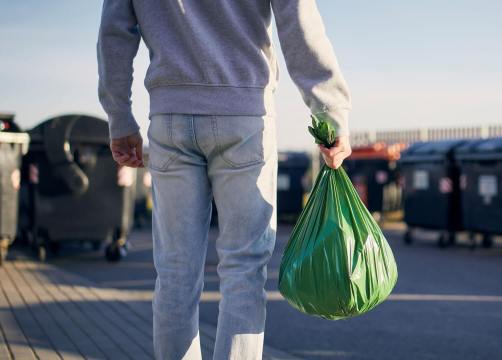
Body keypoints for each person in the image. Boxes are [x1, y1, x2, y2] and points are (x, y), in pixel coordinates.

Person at [97, 0, 351, 359]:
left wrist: (119, 116)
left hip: (170, 117)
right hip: (244, 115)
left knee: (174, 274)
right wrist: (330, 111)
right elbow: (298, 21)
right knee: (243, 271)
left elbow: (114, 31)